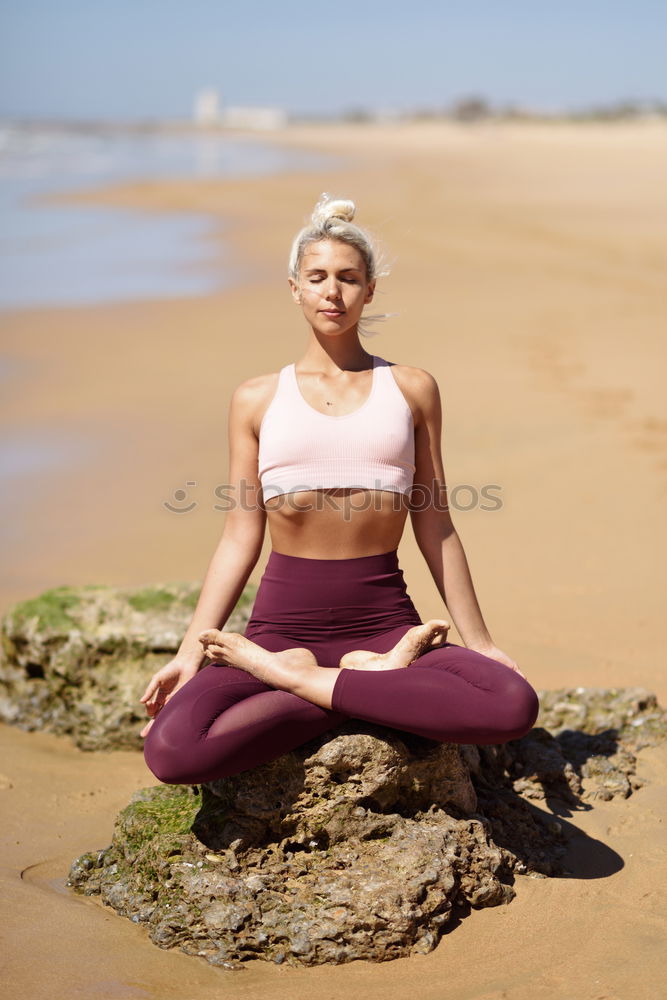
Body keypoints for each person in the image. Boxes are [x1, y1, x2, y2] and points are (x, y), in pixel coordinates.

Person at [141, 194, 539, 785]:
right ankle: (364, 683)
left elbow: (436, 525)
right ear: (294, 288)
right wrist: (189, 651)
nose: (334, 292)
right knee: (172, 753)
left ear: (370, 290)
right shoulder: (256, 398)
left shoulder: (411, 388)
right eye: (318, 277)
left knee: (512, 703)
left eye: (350, 278)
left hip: (385, 624)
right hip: (279, 631)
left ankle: (301, 681)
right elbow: (238, 537)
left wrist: (479, 642)